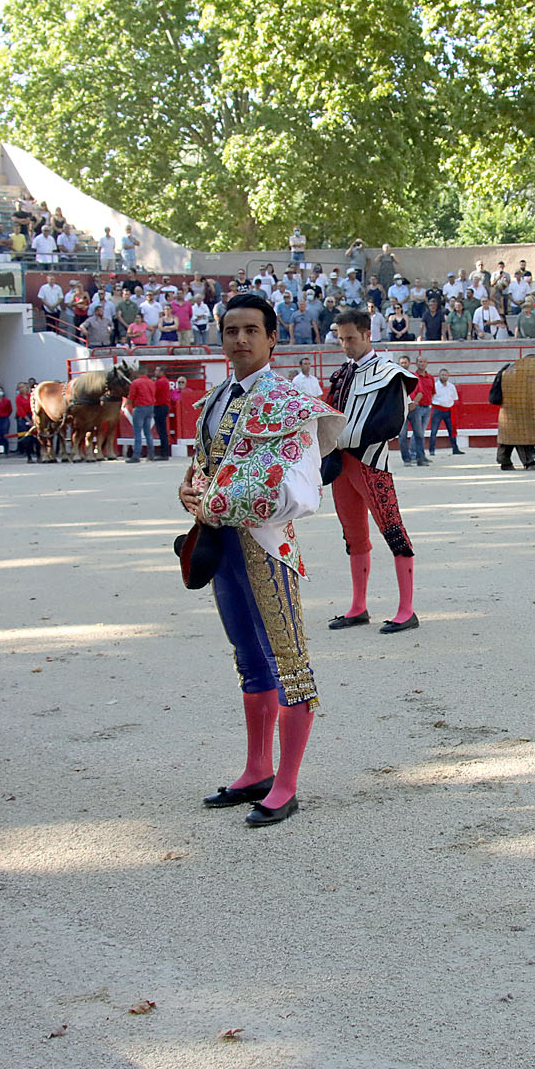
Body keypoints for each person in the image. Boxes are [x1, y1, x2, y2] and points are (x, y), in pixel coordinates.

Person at [179, 293, 343, 826]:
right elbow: (205, 468)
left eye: (252, 330)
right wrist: (189, 490)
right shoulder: (214, 400)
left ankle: (287, 783)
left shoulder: (290, 402)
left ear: (273, 338)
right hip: (222, 544)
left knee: (289, 662)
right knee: (248, 658)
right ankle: (257, 770)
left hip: (267, 545)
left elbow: (302, 490)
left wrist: (217, 501)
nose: (241, 339)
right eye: (232, 331)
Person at [324, 309, 420, 633]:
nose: (345, 345)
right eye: (341, 339)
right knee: (353, 536)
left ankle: (407, 610)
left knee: (393, 531)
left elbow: (391, 423)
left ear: (367, 335)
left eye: (350, 338)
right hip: (341, 466)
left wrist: (342, 438)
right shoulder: (342, 373)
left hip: (372, 463)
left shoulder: (390, 374)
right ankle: (358, 607)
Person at [399, 358, 435, 466]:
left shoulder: (414, 376)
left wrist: (414, 403)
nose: (404, 364)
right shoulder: (395, 376)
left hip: (414, 408)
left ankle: (420, 458)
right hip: (401, 409)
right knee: (402, 435)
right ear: (399, 364)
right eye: (401, 363)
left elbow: (420, 392)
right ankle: (407, 459)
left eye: (405, 363)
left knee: (419, 434)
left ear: (409, 363)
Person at [428, 367, 462, 455]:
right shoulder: (435, 386)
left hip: (448, 410)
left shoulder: (451, 386)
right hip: (437, 410)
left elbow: (454, 398)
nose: (444, 376)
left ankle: (455, 449)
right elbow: (430, 398)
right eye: (442, 375)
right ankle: (432, 450)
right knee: (434, 431)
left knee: (451, 430)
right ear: (439, 376)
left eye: (445, 375)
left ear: (448, 376)